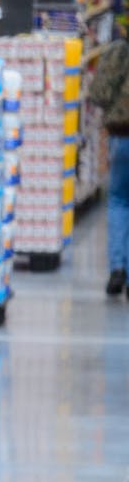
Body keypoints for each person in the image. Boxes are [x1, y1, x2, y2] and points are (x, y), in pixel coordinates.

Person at [85, 33, 129, 294]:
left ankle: (117, 268)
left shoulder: (118, 51)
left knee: (118, 201)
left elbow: (99, 93)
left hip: (121, 136)